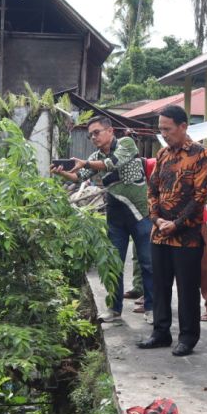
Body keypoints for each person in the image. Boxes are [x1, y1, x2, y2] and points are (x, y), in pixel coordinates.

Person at [53, 117, 152, 324]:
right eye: (91, 135)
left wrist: (86, 163)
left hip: (140, 213)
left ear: (110, 131)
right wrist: (63, 173)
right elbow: (80, 176)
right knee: (113, 263)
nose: (93, 137)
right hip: (116, 215)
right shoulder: (95, 156)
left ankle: (151, 308)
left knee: (148, 263)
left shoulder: (126, 143)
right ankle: (114, 310)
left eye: (96, 132)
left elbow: (113, 163)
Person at [137, 105, 207, 356]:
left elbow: (200, 197)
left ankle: (188, 337)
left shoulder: (200, 155)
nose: (164, 134)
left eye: (168, 129)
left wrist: (176, 223)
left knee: (188, 288)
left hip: (187, 235)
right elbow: (152, 190)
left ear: (183, 126)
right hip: (159, 232)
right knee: (160, 285)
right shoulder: (163, 154)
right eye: (161, 129)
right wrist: (156, 220)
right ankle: (160, 332)